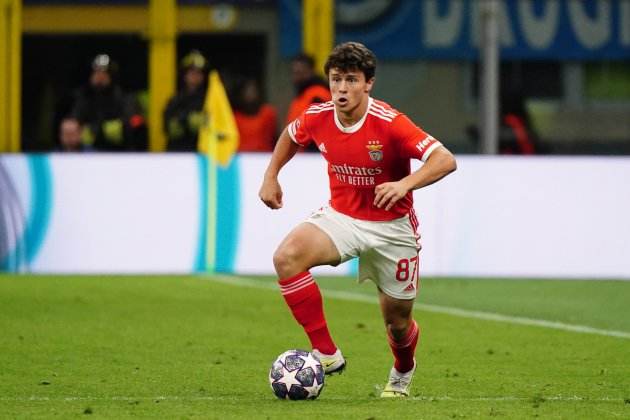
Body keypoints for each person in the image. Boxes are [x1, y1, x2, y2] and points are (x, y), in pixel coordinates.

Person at [259, 42, 457, 398]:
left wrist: (405, 183)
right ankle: (327, 353)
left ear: (369, 84)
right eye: (336, 80)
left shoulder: (391, 123)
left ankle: (402, 369)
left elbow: (444, 159)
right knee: (286, 258)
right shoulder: (319, 116)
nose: (341, 89)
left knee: (397, 323)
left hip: (392, 229)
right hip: (342, 217)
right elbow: (291, 134)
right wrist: (271, 175)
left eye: (351, 80)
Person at [70, 54, 146, 151]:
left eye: (104, 73)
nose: (99, 76)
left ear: (112, 76)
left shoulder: (124, 97)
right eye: (96, 72)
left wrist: (100, 130)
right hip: (88, 153)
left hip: (120, 152)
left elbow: (134, 124)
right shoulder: (84, 96)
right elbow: (75, 120)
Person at [163, 50, 208, 151]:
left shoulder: (208, 100)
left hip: (201, 152)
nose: (195, 76)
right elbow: (168, 127)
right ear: (184, 75)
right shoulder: (175, 99)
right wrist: (187, 120)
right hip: (178, 152)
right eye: (192, 72)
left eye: (199, 73)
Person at [233, 78, 277, 152]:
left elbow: (274, 138)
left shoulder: (268, 114)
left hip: (265, 158)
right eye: (246, 91)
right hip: (243, 159)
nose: (250, 95)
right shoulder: (235, 118)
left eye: (253, 91)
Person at [285, 53, 331, 124]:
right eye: (294, 73)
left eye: (300, 73)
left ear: (311, 71)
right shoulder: (302, 95)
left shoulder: (318, 95)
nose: (296, 78)